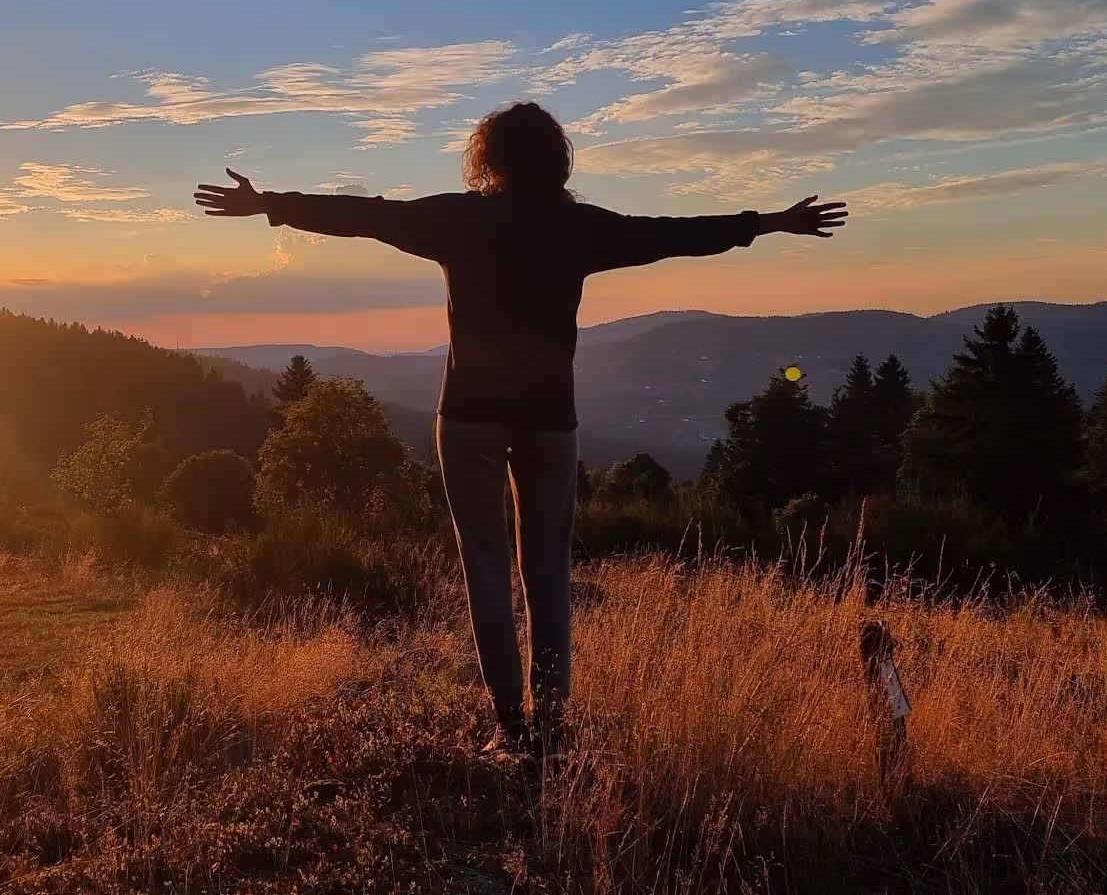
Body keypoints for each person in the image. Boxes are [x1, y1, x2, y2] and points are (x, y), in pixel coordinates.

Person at [194, 101, 846, 761]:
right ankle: (553, 727)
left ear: (488, 157)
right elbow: (671, 231)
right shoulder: (579, 227)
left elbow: (367, 214)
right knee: (547, 572)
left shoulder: (457, 219)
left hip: (470, 415)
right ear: (557, 159)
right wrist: (770, 223)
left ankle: (510, 730)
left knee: (485, 567)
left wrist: (268, 203)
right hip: (548, 421)